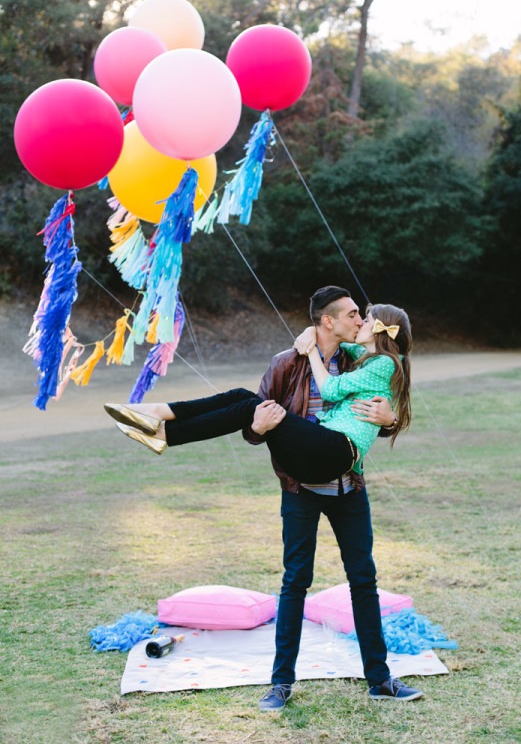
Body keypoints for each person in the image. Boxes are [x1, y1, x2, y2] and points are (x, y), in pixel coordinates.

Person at [105, 286, 424, 706]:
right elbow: (251, 432)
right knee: (295, 582)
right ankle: (282, 683)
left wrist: (391, 418)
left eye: (361, 317)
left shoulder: (359, 360)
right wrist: (259, 426)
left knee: (363, 582)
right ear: (328, 321)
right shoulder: (285, 364)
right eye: (352, 316)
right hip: (301, 487)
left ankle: (381, 681)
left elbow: (377, 407)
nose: (359, 322)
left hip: (347, 486)